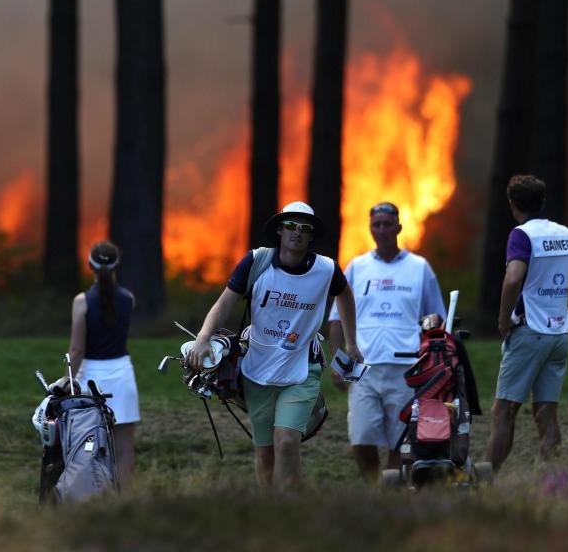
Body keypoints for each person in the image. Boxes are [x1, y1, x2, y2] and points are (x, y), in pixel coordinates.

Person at [186, 201, 362, 489]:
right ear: (280, 230)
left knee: (287, 440)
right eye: (291, 225)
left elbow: (345, 296)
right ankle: (269, 510)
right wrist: (203, 337)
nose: (297, 232)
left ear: (311, 236)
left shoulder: (326, 269)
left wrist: (351, 343)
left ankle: (290, 510)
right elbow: (224, 303)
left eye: (305, 228)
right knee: (265, 450)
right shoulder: (256, 262)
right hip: (257, 369)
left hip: (303, 368)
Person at [327, 201, 446, 483]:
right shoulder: (357, 267)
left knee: (401, 437)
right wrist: (338, 362)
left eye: (386, 224)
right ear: (370, 229)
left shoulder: (419, 268)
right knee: (361, 435)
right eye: (375, 225)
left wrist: (431, 354)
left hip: (407, 367)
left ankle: (391, 488)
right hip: (363, 365)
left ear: (399, 227)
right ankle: (373, 485)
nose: (381, 230)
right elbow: (336, 318)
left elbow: (434, 317)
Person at [484, 175, 568, 472]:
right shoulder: (566, 234)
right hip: (558, 336)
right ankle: (551, 482)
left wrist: (503, 320)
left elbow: (514, 278)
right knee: (546, 413)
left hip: (530, 332)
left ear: (513, 204)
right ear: (542, 202)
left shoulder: (521, 235)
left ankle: (485, 482)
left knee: (503, 412)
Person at [67, 240, 139, 491]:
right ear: (118, 264)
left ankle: (92, 498)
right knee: (124, 449)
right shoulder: (128, 298)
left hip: (91, 377)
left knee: (88, 444)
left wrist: (66, 379)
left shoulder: (81, 301)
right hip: (122, 375)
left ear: (90, 265)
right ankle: (124, 503)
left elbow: (77, 349)